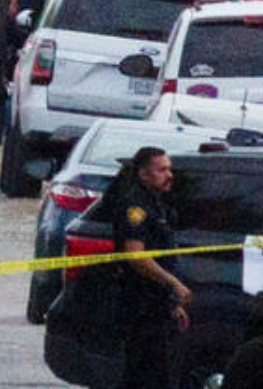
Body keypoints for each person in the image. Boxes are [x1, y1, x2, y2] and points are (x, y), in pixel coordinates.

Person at [112, 147, 191, 389]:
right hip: (140, 308)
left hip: (158, 307)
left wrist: (173, 304)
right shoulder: (135, 207)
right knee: (141, 376)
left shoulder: (157, 206)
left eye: (170, 169)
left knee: (159, 376)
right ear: (144, 174)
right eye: (162, 170)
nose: (170, 175)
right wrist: (174, 284)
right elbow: (136, 256)